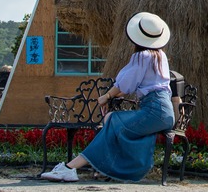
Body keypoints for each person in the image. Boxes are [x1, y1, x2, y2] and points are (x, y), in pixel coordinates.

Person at [41, 12, 175, 183]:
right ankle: (101, 168)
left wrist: (106, 96)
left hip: (153, 110)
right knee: (112, 118)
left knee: (111, 120)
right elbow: (133, 84)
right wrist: (112, 94)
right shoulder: (160, 56)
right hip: (164, 112)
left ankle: (70, 168)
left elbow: (125, 84)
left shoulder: (143, 56)